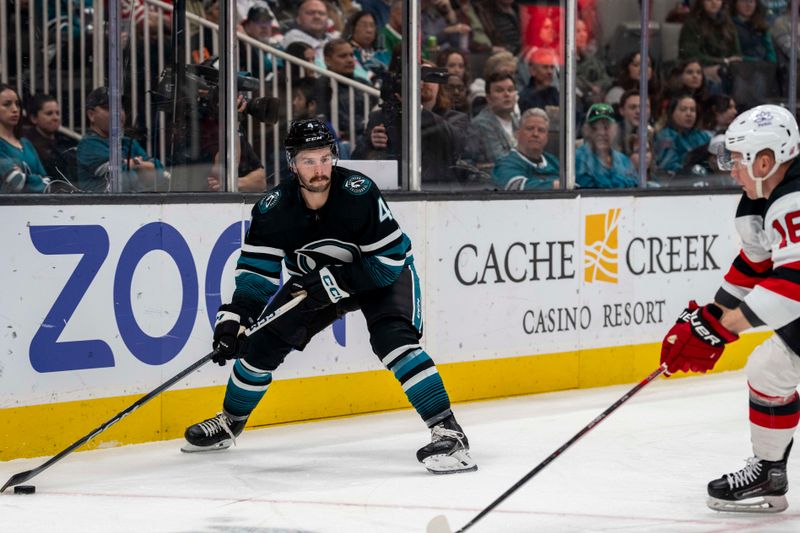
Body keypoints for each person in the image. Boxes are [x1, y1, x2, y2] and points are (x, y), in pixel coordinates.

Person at [182, 118, 477, 475]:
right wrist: (235, 319)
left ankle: (449, 431)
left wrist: (332, 283)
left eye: (324, 158)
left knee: (393, 340)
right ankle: (230, 423)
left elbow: (386, 263)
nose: (319, 169)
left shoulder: (358, 192)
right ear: (292, 163)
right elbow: (256, 276)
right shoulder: (272, 210)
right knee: (258, 347)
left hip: (380, 276)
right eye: (309, 160)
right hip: (315, 282)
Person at [659, 104, 800, 513]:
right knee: (770, 368)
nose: (731, 168)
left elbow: (793, 284)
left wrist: (724, 328)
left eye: (738, 159)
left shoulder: (793, 198)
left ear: (766, 160)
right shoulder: (762, 197)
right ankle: (770, 474)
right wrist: (711, 317)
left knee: (772, 365)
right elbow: (755, 263)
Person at [76, 87, 167, 193]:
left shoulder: (128, 143)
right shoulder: (88, 145)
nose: (118, 113)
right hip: (102, 208)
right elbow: (121, 176)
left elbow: (158, 173)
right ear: (91, 115)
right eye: (109, 108)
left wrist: (133, 163)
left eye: (121, 107)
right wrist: (139, 164)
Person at [492, 108, 559, 190]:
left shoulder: (553, 161)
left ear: (547, 137)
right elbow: (515, 188)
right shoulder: (505, 164)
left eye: (541, 130)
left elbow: (574, 185)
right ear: (517, 134)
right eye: (530, 129)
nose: (535, 134)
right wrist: (555, 185)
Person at [575, 103, 638, 188]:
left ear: (615, 129)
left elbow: (635, 184)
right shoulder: (578, 159)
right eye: (595, 128)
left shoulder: (624, 160)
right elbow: (592, 189)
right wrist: (621, 182)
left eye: (606, 127)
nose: (601, 133)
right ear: (587, 130)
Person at [0, 84, 50, 193]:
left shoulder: (26, 143)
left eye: (17, 104)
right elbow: (15, 182)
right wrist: (36, 179)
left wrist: (24, 176)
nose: (15, 109)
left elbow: (47, 184)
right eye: (7, 104)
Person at [22, 94, 79, 186]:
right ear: (34, 118)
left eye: (57, 113)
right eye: (49, 113)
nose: (55, 118)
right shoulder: (28, 145)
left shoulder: (66, 141)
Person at [654, 94, 712, 175]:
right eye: (683, 110)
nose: (689, 114)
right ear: (672, 113)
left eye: (692, 110)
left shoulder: (704, 136)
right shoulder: (665, 136)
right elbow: (667, 165)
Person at [472, 72, 519, 170]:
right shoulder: (481, 124)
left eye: (510, 90)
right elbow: (502, 161)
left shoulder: (516, 121)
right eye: (499, 90)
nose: (507, 94)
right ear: (488, 98)